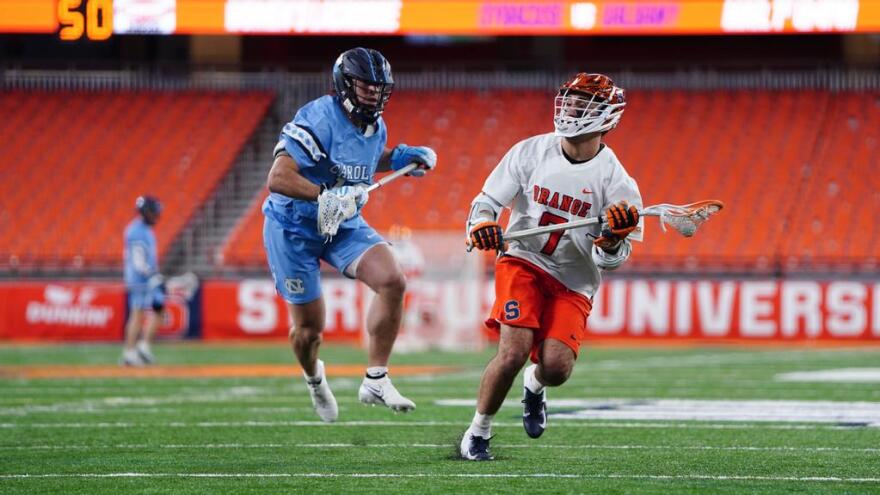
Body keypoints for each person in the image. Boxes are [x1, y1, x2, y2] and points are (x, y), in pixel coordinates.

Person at [460, 73, 643, 460]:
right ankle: (478, 432)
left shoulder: (618, 182)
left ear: (608, 118)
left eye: (585, 104)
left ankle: (536, 383)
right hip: (523, 260)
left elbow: (611, 261)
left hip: (574, 279)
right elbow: (487, 203)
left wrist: (612, 241)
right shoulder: (530, 151)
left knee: (557, 367)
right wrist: (482, 225)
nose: (573, 108)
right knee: (512, 350)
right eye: (571, 101)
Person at [263, 47, 437, 422]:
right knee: (309, 331)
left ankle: (376, 378)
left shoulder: (375, 126)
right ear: (345, 84)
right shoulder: (318, 117)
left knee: (392, 280)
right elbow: (278, 177)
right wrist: (324, 195)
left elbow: (363, 161)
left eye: (380, 88)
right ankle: (314, 378)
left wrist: (403, 157)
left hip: (341, 224)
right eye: (366, 87)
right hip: (293, 226)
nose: (374, 94)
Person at [121, 195, 166, 366]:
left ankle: (143, 347)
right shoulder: (136, 231)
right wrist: (152, 274)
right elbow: (138, 261)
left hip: (148, 279)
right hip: (140, 280)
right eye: (154, 212)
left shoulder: (144, 230)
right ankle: (130, 352)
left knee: (159, 309)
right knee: (137, 314)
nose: (156, 215)